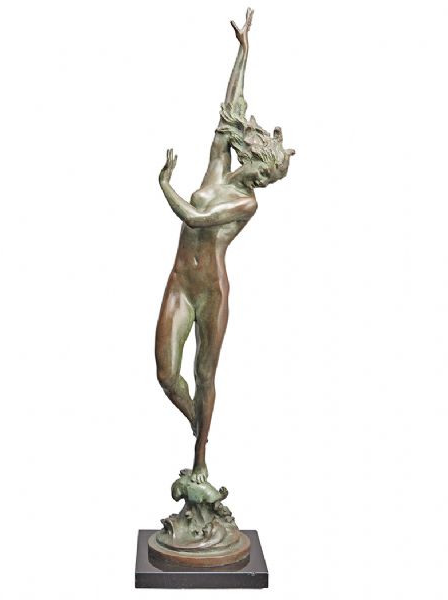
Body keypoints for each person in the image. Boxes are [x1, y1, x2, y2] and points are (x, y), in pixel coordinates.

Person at [155, 8, 294, 484]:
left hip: (211, 290)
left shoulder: (246, 203)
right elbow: (230, 109)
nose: (261, 178)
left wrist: (164, 185)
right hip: (180, 282)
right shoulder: (218, 167)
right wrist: (243, 51)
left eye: (267, 176)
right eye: (263, 169)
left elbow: (194, 217)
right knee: (167, 375)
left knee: (205, 374)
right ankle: (198, 423)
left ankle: (200, 460)